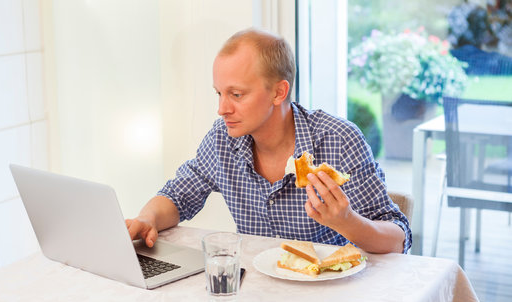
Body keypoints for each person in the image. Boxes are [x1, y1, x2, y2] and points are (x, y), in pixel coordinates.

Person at [126, 28, 411, 254]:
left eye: (236, 95)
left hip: (331, 297)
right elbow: (177, 197)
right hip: (255, 296)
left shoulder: (338, 140)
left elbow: (398, 238)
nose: (222, 108)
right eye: (219, 94)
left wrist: (347, 221)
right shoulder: (222, 139)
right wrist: (147, 218)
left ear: (278, 92)